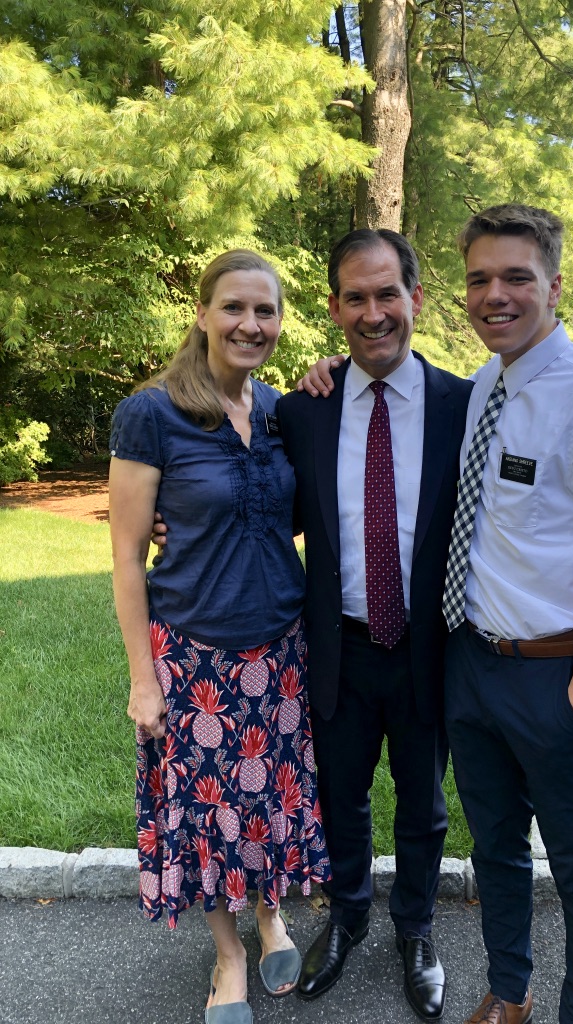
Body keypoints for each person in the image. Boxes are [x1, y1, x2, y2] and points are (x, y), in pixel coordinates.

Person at [440, 204, 573, 1024]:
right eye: (479, 279)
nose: (494, 295)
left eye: (516, 277)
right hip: (475, 667)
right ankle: (510, 992)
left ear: (555, 286)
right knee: (495, 849)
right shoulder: (478, 390)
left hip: (560, 676)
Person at [109, 249, 331, 1024]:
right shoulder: (152, 413)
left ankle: (271, 915)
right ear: (202, 313)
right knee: (208, 815)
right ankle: (229, 952)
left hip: (281, 649)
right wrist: (143, 679)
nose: (250, 323)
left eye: (265, 310)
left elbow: (282, 515)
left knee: (269, 800)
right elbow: (127, 559)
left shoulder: (278, 412)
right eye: (234, 306)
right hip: (194, 654)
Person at [278, 229, 473, 1021]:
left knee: (424, 804)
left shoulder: (465, 405)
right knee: (342, 797)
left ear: (415, 298)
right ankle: (349, 916)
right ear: (334, 308)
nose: (373, 312)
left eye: (387, 293)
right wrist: (167, 516)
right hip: (341, 649)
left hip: (429, 648)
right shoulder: (302, 410)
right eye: (355, 298)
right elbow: (259, 500)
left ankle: (415, 928)